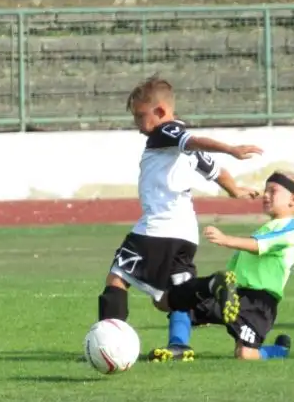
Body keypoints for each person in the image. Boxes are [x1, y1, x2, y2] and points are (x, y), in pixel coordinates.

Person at [97, 75, 261, 362]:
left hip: (157, 228)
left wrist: (231, 149)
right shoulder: (181, 144)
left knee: (117, 278)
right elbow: (214, 170)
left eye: (139, 117)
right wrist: (235, 190)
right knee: (165, 299)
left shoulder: (166, 132)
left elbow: (196, 141)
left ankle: (107, 346)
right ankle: (210, 288)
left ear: (160, 111)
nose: (138, 127)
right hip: (185, 232)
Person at [152, 170, 294, 361]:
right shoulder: (269, 226)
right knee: (184, 300)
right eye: (265, 191)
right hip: (232, 294)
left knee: (245, 354)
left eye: (272, 191)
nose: (265, 196)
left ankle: (279, 350)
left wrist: (225, 239)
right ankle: (178, 346)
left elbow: (258, 246)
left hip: (258, 303)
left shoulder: (290, 227)